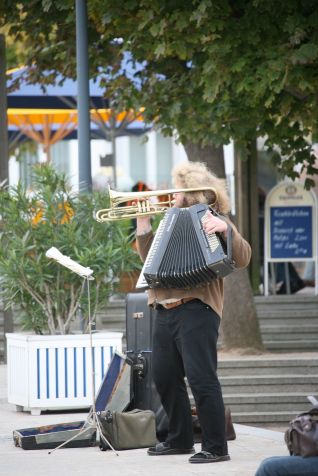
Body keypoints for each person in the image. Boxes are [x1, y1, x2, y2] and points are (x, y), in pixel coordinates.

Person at [135, 161, 251, 464]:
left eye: (178, 192)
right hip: (164, 308)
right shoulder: (170, 222)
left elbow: (243, 257)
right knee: (164, 377)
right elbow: (151, 261)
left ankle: (215, 447)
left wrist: (226, 230)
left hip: (197, 311)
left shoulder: (216, 219)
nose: (172, 197)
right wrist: (143, 226)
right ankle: (179, 440)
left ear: (192, 194)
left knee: (202, 379)